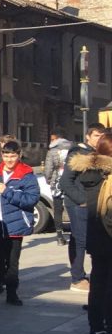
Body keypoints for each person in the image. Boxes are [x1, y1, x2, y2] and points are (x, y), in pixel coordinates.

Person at [0, 140, 39, 305]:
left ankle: (12, 293)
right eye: (6, 155)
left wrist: (7, 192)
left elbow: (31, 199)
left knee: (12, 262)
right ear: (2, 155)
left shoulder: (27, 175)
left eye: (13, 156)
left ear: (19, 155)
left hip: (15, 225)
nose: (9, 159)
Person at [67, 140, 112, 334]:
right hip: (109, 233)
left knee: (99, 279)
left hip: (95, 232)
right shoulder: (108, 176)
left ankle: (96, 326)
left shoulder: (88, 173)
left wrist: (82, 201)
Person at [59, 124, 106, 293]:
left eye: (102, 136)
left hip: (91, 204)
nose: (99, 139)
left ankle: (80, 275)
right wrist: (83, 200)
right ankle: (77, 279)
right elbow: (65, 181)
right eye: (96, 135)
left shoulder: (99, 154)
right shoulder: (78, 154)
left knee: (79, 239)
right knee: (81, 240)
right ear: (88, 136)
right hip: (78, 203)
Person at [44, 130, 73, 242]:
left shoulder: (52, 151)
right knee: (72, 207)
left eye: (52, 139)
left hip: (57, 181)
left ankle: (60, 236)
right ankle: (74, 233)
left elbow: (48, 169)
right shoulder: (72, 149)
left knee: (58, 208)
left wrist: (48, 179)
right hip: (71, 180)